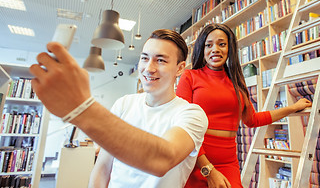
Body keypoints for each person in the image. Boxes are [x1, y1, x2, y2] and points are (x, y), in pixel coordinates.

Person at [29, 29, 208, 188]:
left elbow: (162, 159)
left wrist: (82, 108)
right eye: (144, 58)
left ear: (180, 68)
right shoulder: (124, 104)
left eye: (160, 60)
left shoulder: (192, 114)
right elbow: (103, 168)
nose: (149, 68)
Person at [176, 23, 312, 188]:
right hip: (196, 158)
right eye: (208, 45)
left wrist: (291, 108)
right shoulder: (190, 76)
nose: (215, 49)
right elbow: (183, 127)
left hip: (228, 162)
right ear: (201, 49)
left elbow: (252, 120)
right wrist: (208, 170)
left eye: (222, 44)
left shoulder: (237, 81)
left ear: (230, 48)